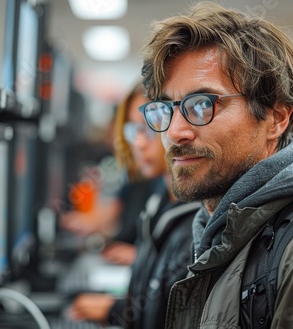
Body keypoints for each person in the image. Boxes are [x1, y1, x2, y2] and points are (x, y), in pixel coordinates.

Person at [138, 1, 293, 328]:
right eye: (166, 108)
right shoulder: (216, 232)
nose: (175, 132)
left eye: (202, 104)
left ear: (276, 118)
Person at [66, 83, 201, 329]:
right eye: (133, 130)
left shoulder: (195, 218)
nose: (138, 143)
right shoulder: (158, 201)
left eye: (147, 128)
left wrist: (115, 310)